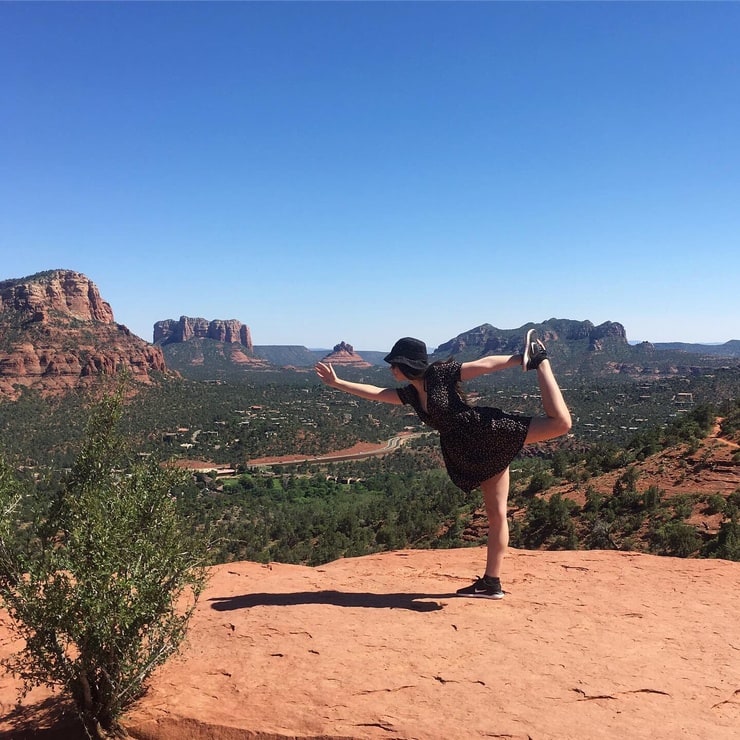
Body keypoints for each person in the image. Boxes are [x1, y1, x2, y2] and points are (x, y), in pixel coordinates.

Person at [315, 329, 572, 600]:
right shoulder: (412, 394)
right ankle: (491, 583)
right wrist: (338, 382)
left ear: (407, 364)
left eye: (394, 364)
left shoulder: (439, 374)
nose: (391, 369)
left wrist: (519, 358)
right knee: (496, 514)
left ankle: (541, 361)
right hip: (469, 450)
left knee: (560, 424)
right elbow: (376, 393)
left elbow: (483, 365)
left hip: (486, 431)